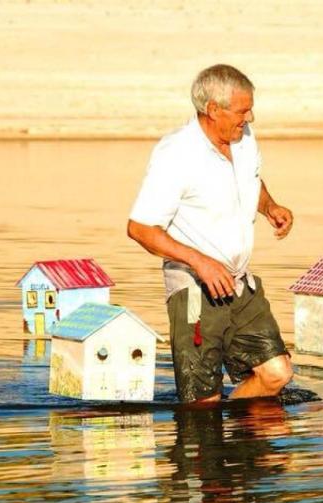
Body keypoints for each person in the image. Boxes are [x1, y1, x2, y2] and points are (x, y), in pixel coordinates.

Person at [127, 64, 294, 404]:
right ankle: (211, 443)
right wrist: (200, 261)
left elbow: (250, 180)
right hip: (195, 291)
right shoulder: (176, 153)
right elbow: (140, 228)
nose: (250, 119)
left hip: (240, 284)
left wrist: (270, 207)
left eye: (250, 109)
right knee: (202, 402)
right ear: (213, 110)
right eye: (242, 111)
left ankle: (235, 441)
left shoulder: (244, 139)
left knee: (277, 373)